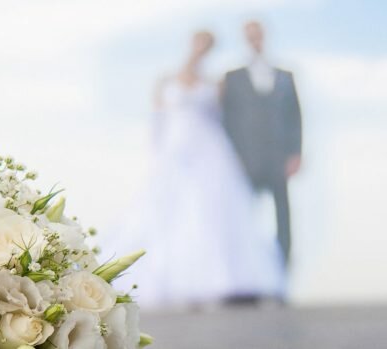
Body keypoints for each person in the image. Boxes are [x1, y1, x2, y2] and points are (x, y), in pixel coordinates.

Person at [108, 30, 282, 309]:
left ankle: (221, 281)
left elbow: (226, 121)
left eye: (207, 45)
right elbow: (157, 120)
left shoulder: (215, 84)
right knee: (165, 212)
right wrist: (156, 155)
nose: (201, 49)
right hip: (172, 151)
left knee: (210, 210)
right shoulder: (165, 80)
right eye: (199, 43)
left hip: (209, 150)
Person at [221, 20, 303, 283]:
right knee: (244, 218)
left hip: (278, 158)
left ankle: (282, 276)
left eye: (258, 35)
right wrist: (232, 156)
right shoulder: (232, 78)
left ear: (265, 37)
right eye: (250, 36)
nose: (255, 40)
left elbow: (295, 117)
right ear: (245, 38)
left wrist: (295, 153)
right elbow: (228, 120)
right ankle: (245, 276)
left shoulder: (285, 76)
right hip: (246, 159)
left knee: (283, 218)